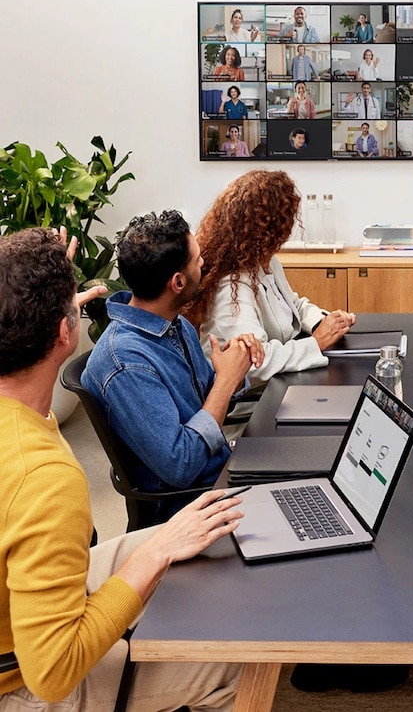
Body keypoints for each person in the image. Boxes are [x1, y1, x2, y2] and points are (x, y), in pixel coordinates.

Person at [0, 227, 244, 710]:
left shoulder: (19, 423)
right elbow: (53, 672)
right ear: (62, 333)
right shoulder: (44, 477)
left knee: (208, 541)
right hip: (21, 679)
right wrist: (154, 557)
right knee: (237, 653)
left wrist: (39, 301)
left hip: (19, 609)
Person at [83, 211, 263, 523]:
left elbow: (206, 405)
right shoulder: (126, 363)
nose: (203, 263)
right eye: (197, 259)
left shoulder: (174, 325)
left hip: (219, 474)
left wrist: (233, 367)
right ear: (178, 282)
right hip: (190, 507)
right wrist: (225, 382)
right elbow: (181, 465)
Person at [184, 170, 357, 386]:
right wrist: (317, 342)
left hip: (281, 382)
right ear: (275, 227)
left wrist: (326, 322)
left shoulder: (266, 263)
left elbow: (293, 305)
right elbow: (257, 362)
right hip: (251, 404)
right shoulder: (231, 288)